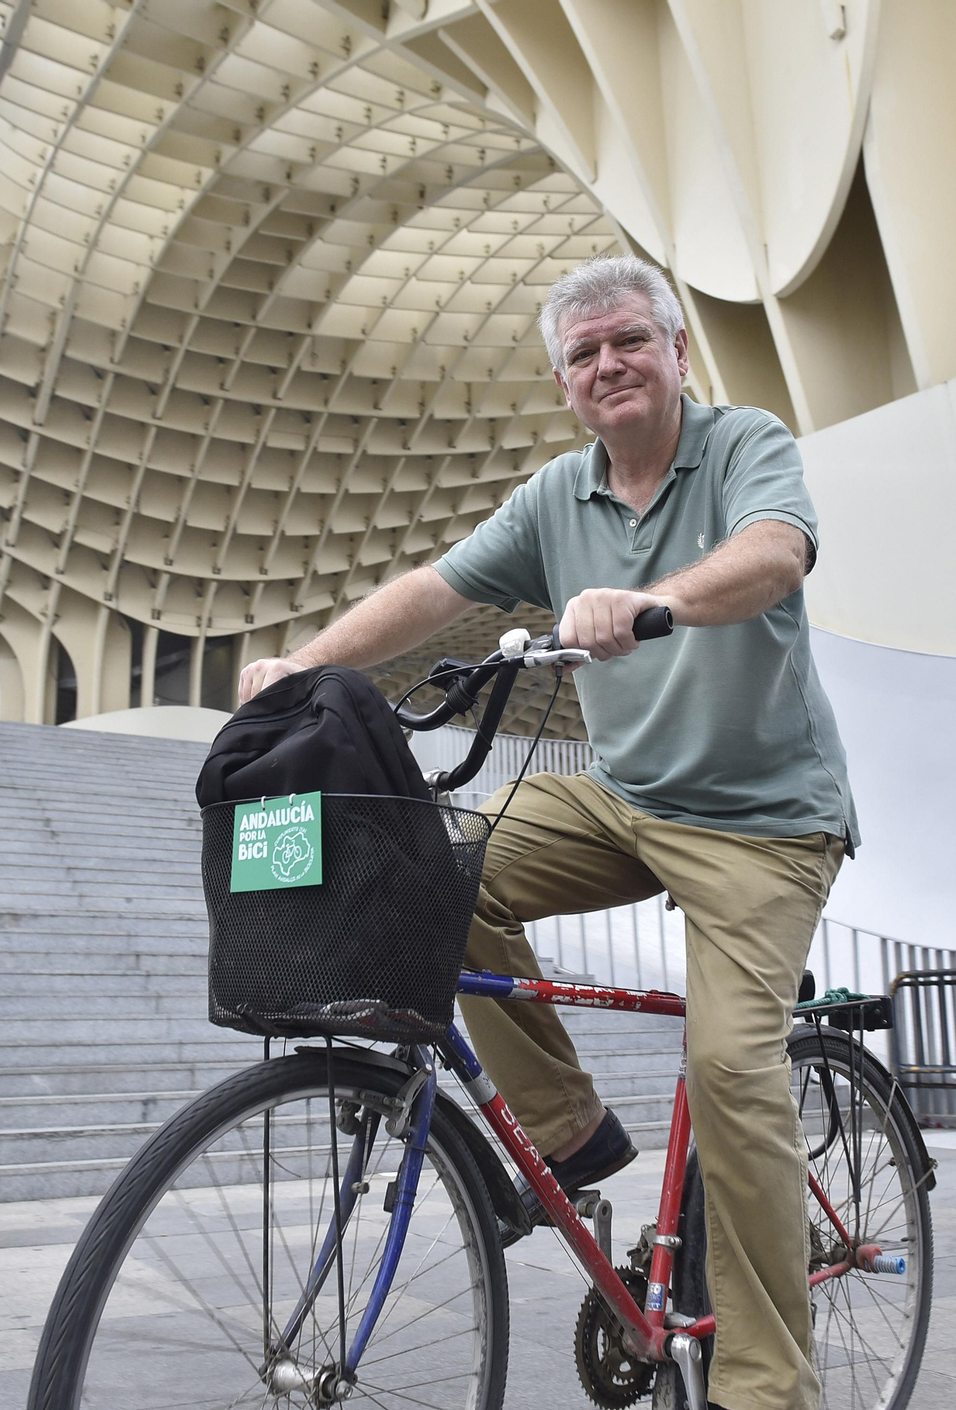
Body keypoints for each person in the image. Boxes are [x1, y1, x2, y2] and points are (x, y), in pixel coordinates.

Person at [240, 254, 857, 1410]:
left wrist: (655, 602)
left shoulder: (741, 446)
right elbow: (436, 588)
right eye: (583, 354)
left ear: (677, 353)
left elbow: (774, 554)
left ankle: (769, 1388)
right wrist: (304, 665)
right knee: (436, 874)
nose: (608, 364)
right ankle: (570, 1134)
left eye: (629, 340)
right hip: (622, 803)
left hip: (763, 828)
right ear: (566, 386)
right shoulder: (554, 498)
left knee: (730, 1069)